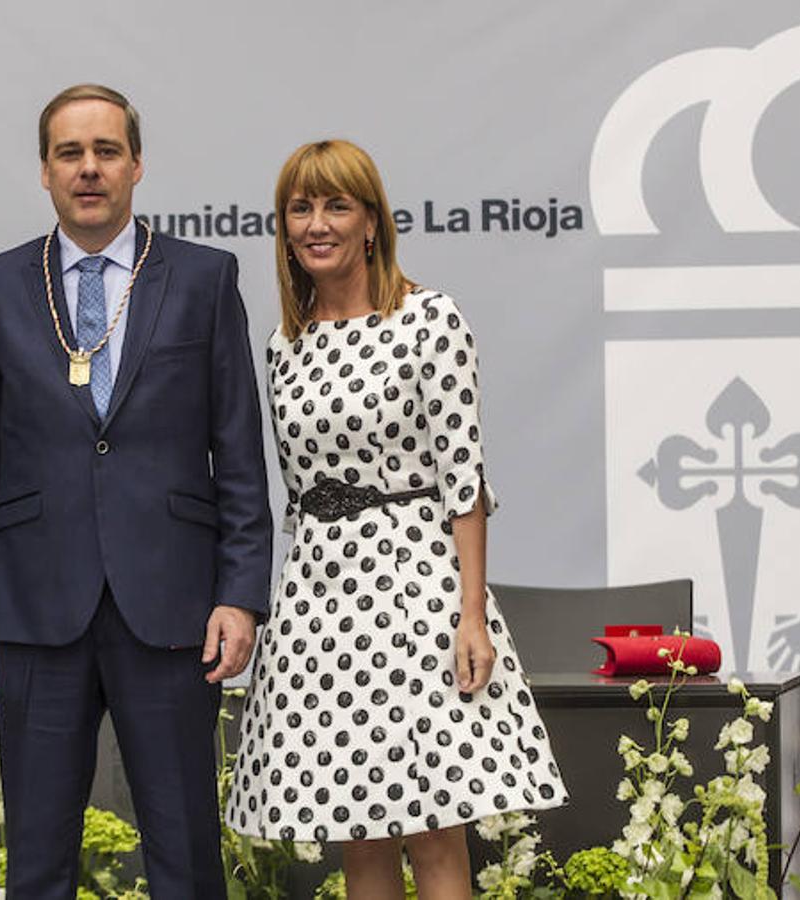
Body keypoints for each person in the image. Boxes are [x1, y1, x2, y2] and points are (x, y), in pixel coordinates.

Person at [0, 83, 272, 899]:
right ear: (45, 172)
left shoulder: (201, 278)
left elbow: (237, 450)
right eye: (70, 154)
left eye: (105, 152)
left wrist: (240, 593)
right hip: (32, 607)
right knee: (38, 856)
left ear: (135, 165)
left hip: (172, 607)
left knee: (185, 849)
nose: (88, 169)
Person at [224, 140, 567, 898]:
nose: (317, 224)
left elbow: (464, 480)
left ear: (372, 223)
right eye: (300, 208)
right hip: (318, 590)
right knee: (357, 829)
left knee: (433, 824)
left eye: (336, 205)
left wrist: (470, 614)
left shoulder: (428, 318)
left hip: (414, 583)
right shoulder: (286, 342)